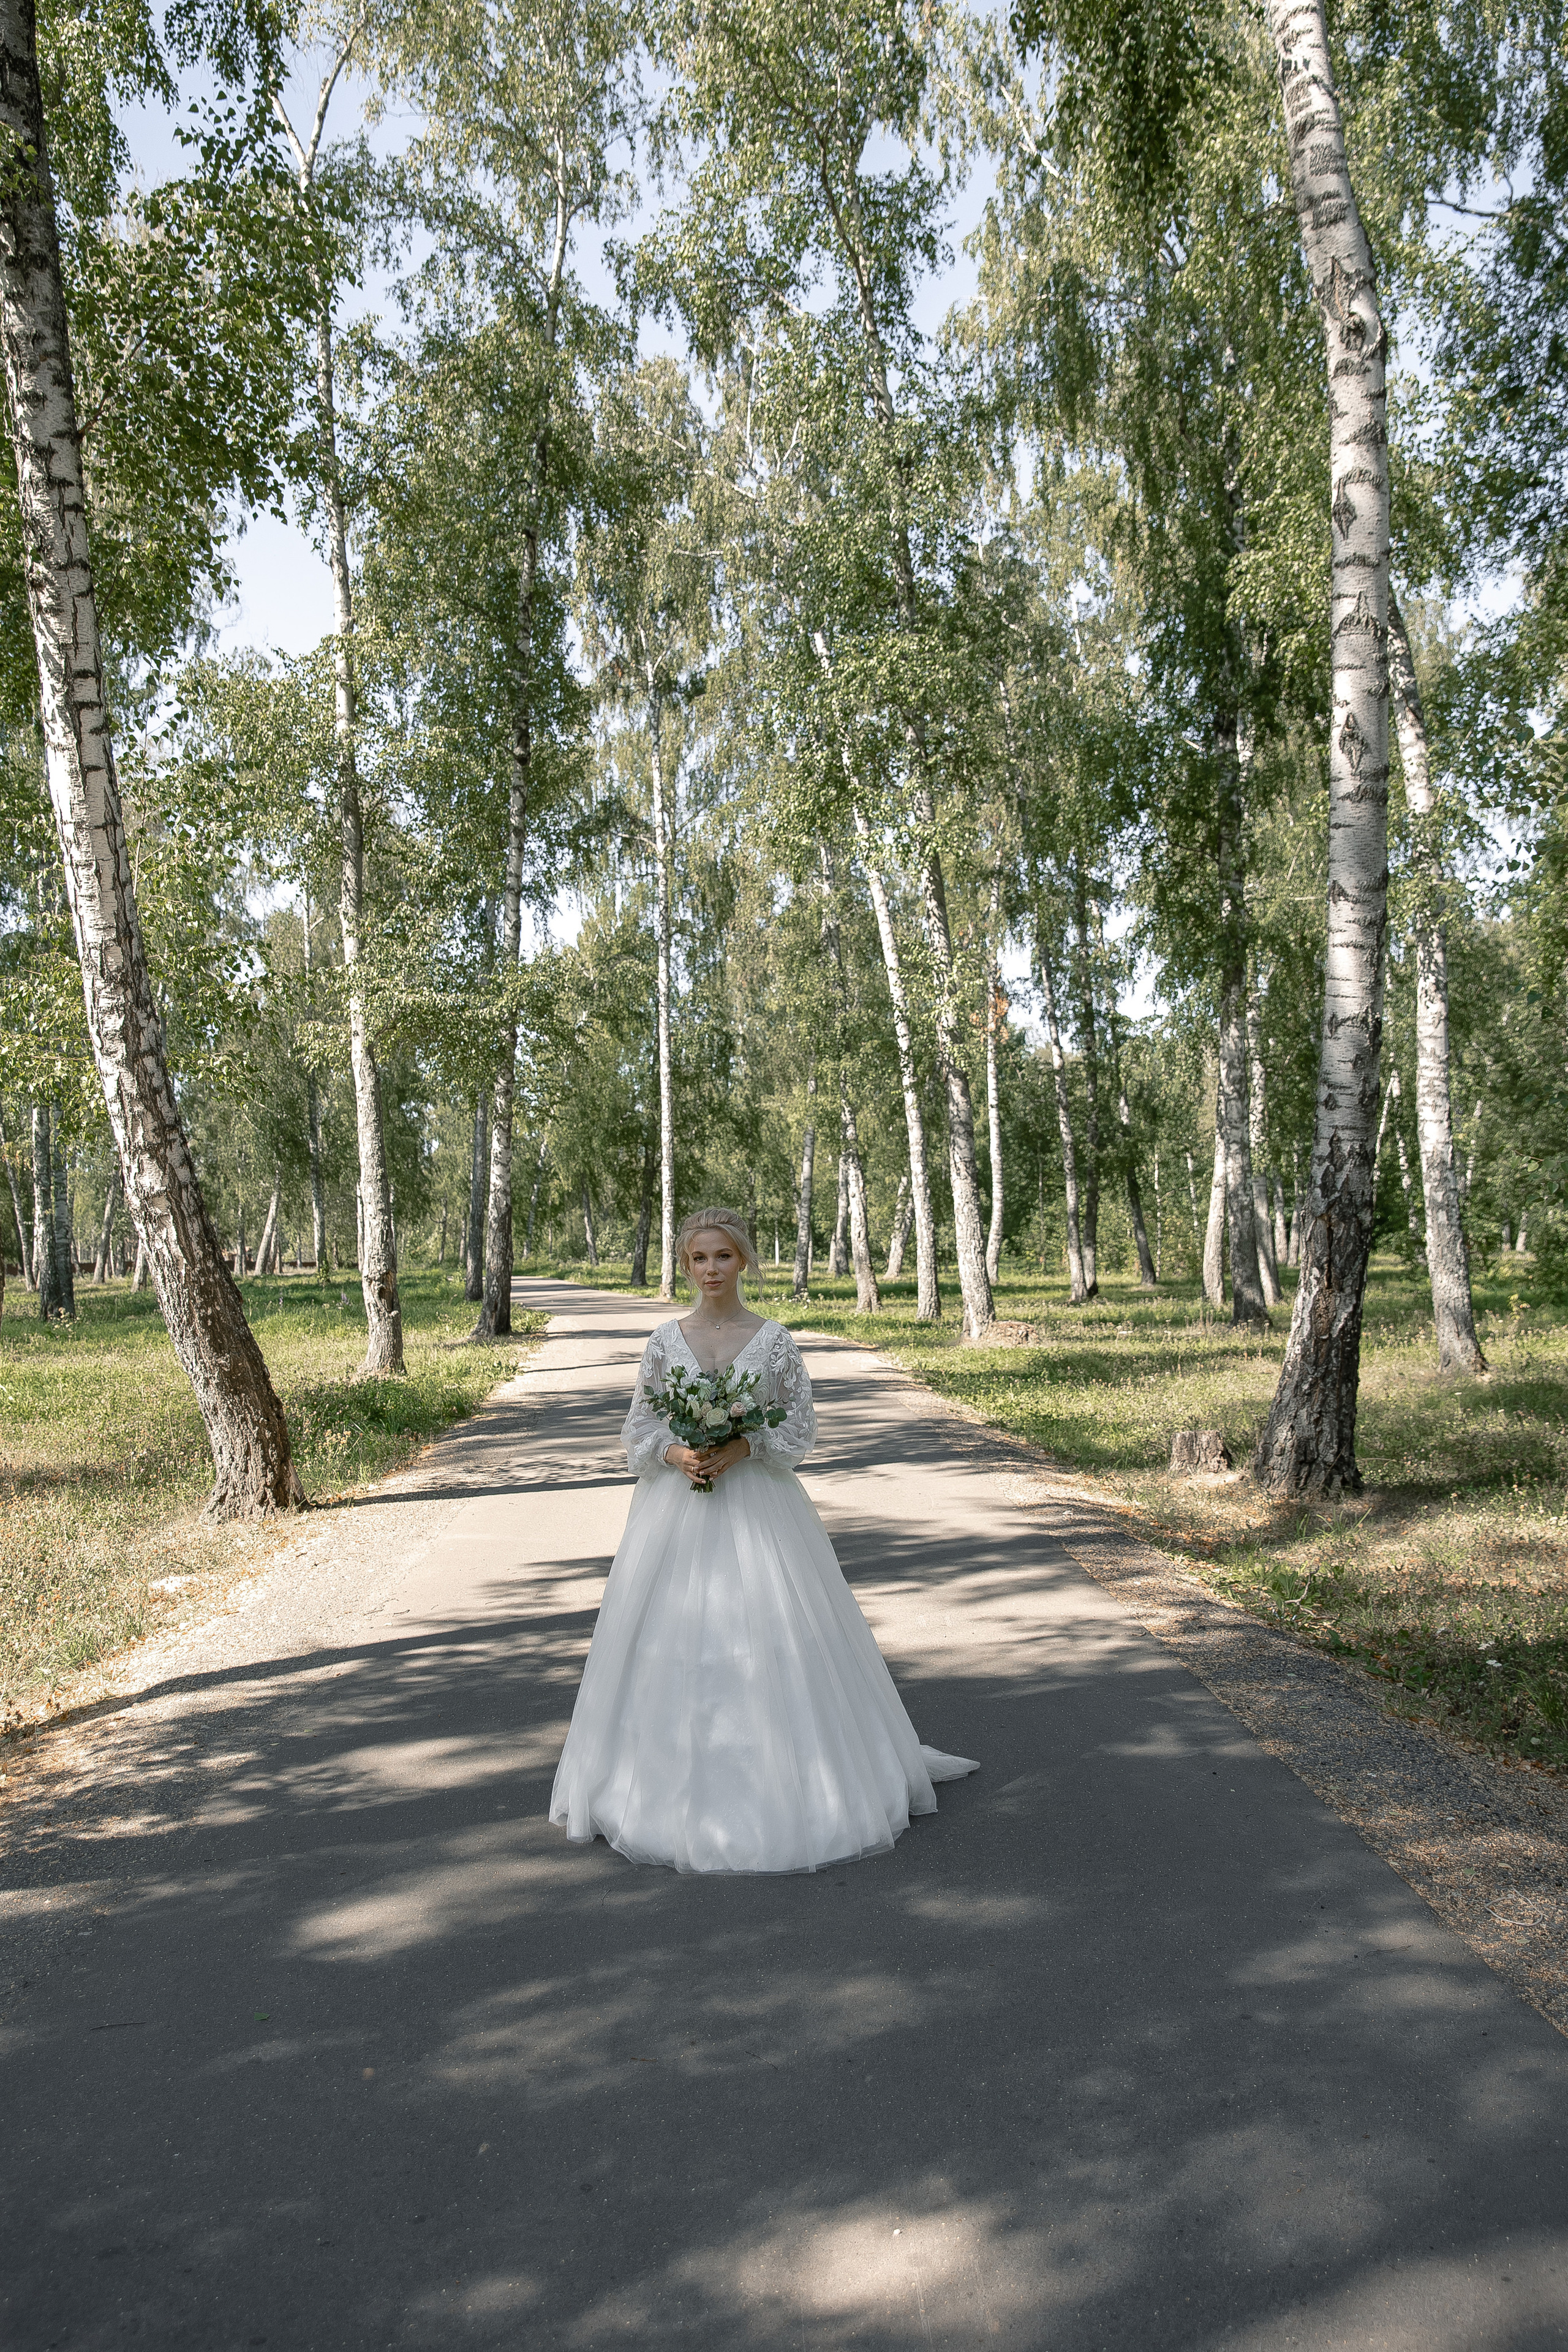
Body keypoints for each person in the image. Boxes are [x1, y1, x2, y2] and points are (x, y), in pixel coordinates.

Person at [549, 1205, 978, 1873]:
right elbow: (638, 1428)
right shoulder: (663, 1340)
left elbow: (798, 1430)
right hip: (674, 1513)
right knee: (673, 1638)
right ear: (685, 1266)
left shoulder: (774, 1339)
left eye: (722, 1256)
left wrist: (745, 1443)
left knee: (771, 1632)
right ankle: (651, 1783)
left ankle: (804, 1780)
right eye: (698, 1258)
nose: (711, 1269)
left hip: (759, 1506)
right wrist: (675, 1456)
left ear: (742, 1261)